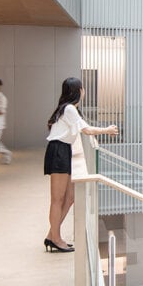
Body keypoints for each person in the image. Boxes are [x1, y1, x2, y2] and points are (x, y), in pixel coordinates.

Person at [44, 77, 117, 252]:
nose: (83, 91)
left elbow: (83, 128)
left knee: (69, 197)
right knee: (57, 199)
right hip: (58, 152)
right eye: (82, 88)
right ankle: (55, 238)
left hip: (63, 151)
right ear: (78, 91)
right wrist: (107, 130)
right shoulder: (69, 109)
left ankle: (51, 235)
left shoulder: (70, 109)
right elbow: (87, 130)